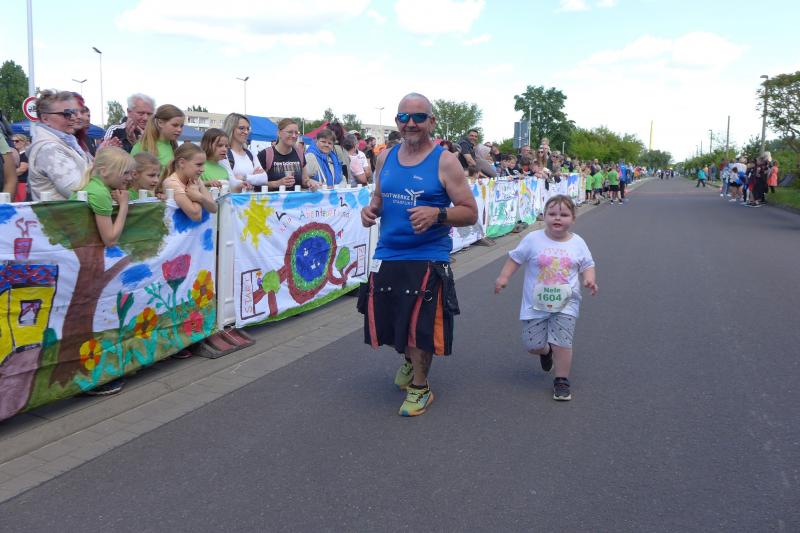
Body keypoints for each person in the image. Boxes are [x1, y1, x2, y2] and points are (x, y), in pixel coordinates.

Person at [358, 93, 478, 417]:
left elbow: (470, 212)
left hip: (428, 254)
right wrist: (370, 211)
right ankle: (410, 361)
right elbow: (378, 198)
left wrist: (438, 214)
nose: (410, 123)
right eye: (404, 117)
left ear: (431, 122)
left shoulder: (445, 161)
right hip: (388, 252)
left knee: (420, 325)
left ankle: (421, 388)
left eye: (419, 117)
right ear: (396, 121)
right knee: (391, 320)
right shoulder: (385, 157)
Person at [494, 194, 597, 401]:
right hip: (536, 303)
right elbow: (515, 258)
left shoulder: (578, 243)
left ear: (573, 219)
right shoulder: (533, 239)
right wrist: (504, 277)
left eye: (564, 214)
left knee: (562, 342)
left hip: (566, 302)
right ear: (544, 216)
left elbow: (587, 264)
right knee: (533, 345)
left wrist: (589, 279)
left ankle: (561, 380)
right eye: (552, 213)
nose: (557, 218)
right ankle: (545, 352)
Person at [69, 147, 135, 395]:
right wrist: (124, 206)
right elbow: (110, 238)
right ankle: (89, 378)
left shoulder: (94, 187)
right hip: (84, 265)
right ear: (105, 171)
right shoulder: (99, 193)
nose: (129, 178)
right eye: (125, 173)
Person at [27, 90, 91, 200]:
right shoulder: (49, 149)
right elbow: (78, 192)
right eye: (66, 114)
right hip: (63, 211)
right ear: (45, 119)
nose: (73, 117)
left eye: (73, 112)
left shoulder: (64, 142)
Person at [159, 142, 218, 222]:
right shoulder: (171, 183)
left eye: (203, 165)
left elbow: (214, 208)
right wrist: (196, 195)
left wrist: (200, 198)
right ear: (182, 163)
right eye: (198, 165)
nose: (203, 169)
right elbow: (196, 216)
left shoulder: (195, 180)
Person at [255, 118, 319, 191]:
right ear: (279, 133)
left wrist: (309, 182)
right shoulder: (265, 154)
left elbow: (304, 180)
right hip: (272, 198)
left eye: (296, 133)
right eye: (290, 132)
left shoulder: (300, 154)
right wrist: (277, 183)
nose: (294, 136)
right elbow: (256, 184)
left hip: (295, 198)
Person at [131, 104, 184, 168]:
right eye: (175, 125)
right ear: (160, 123)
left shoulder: (174, 148)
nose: (179, 129)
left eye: (181, 126)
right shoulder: (142, 147)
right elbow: (131, 172)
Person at [221, 113, 260, 192]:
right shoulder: (223, 153)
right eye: (241, 128)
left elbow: (264, 179)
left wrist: (243, 177)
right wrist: (253, 177)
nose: (246, 132)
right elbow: (231, 183)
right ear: (231, 128)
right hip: (232, 199)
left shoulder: (250, 153)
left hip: (250, 199)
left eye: (248, 129)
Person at [72, 93, 97, 157]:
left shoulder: (86, 137)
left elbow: (91, 159)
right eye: (88, 115)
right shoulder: (67, 140)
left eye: (81, 112)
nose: (88, 119)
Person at [12, 134, 29, 201]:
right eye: (13, 141)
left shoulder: (25, 154)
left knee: (21, 204)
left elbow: (22, 169)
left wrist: (8, 175)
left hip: (22, 184)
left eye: (17, 141)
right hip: (18, 183)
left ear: (23, 142)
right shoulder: (19, 154)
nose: (14, 143)